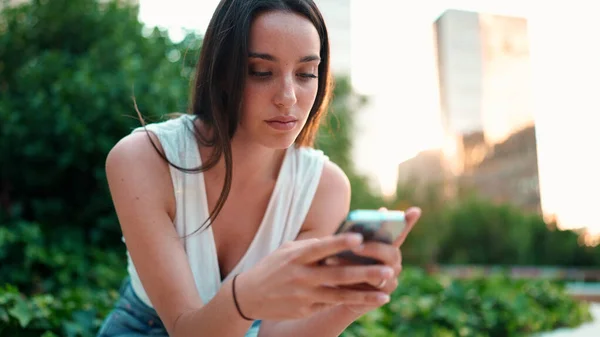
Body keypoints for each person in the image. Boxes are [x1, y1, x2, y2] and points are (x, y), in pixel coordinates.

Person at [97, 0, 421, 336]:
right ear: (222, 73)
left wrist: (349, 303)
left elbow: (274, 333)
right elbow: (185, 329)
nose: (288, 97)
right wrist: (246, 298)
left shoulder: (324, 188)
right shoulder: (142, 159)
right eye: (261, 72)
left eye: (306, 73)